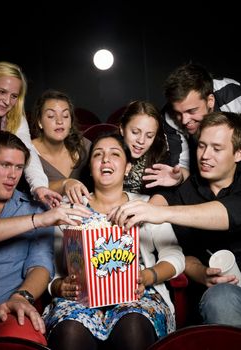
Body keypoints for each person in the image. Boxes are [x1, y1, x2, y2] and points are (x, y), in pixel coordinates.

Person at [43, 132, 185, 350]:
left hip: (138, 296)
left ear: (128, 167)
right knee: (70, 330)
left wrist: (147, 276)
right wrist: (58, 286)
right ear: (90, 167)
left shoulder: (148, 205)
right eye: (98, 155)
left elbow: (175, 257)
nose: (106, 160)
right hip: (79, 300)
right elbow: (48, 269)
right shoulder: (68, 209)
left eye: (115, 154)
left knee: (133, 325)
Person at [109, 111, 241, 327]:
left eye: (217, 149)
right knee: (221, 298)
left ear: (238, 153)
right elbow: (184, 255)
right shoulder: (186, 191)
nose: (205, 155)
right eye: (201, 146)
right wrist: (202, 274)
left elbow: (226, 213)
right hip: (223, 295)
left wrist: (161, 213)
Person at [0, 130, 91, 344]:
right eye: (5, 165)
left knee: (25, 338)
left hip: (7, 307)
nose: (13, 175)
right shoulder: (40, 217)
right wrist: (37, 220)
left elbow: (40, 266)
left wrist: (23, 297)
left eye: (19, 167)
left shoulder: (38, 209)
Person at [0, 61, 62, 207]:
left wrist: (39, 186)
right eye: (2, 92)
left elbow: (27, 151)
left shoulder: (17, 118)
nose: (7, 101)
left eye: (14, 96)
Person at [149, 62, 241, 184]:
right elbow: (183, 164)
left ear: (210, 101)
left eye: (192, 111)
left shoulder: (232, 95)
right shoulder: (169, 116)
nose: (184, 120)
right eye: (178, 113)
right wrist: (178, 177)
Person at [30, 89, 91, 201]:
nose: (59, 121)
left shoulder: (85, 147)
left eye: (65, 115)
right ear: (39, 122)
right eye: (51, 116)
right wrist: (64, 184)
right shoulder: (28, 151)